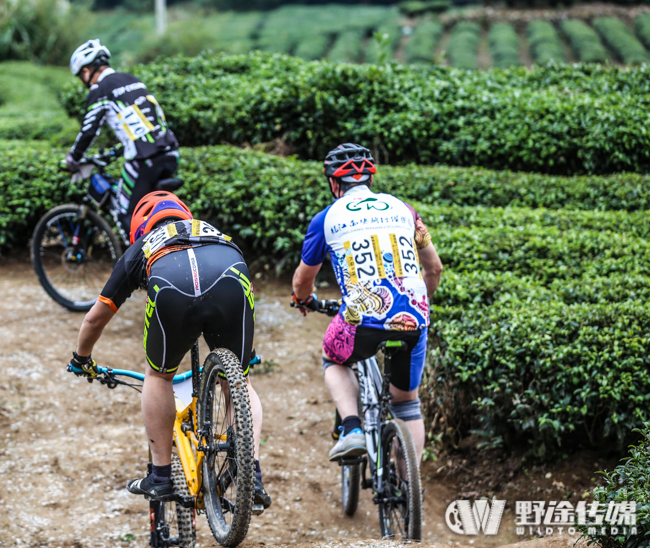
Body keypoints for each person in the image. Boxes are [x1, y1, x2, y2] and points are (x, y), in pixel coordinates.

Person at [69, 191, 271, 508]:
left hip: (172, 286)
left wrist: (81, 358)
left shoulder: (142, 246)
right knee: (240, 382)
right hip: (231, 276)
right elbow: (242, 296)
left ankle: (161, 477)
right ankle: (253, 474)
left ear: (141, 226)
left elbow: (95, 319)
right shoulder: (215, 232)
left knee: (160, 377)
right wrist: (246, 351)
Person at [291, 143, 443, 463]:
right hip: (414, 315)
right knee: (407, 405)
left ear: (334, 183)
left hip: (363, 317)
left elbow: (303, 281)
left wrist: (303, 300)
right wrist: (420, 304)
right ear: (370, 179)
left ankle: (352, 429)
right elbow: (434, 268)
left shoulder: (326, 218)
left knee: (333, 358)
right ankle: (409, 492)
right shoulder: (405, 210)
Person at [66, 39, 180, 237]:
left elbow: (89, 130)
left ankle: (143, 265)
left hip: (145, 160)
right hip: (171, 153)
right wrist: (118, 150)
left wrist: (73, 158)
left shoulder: (100, 89)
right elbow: (147, 124)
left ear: (86, 71)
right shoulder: (131, 79)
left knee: (125, 214)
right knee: (147, 213)